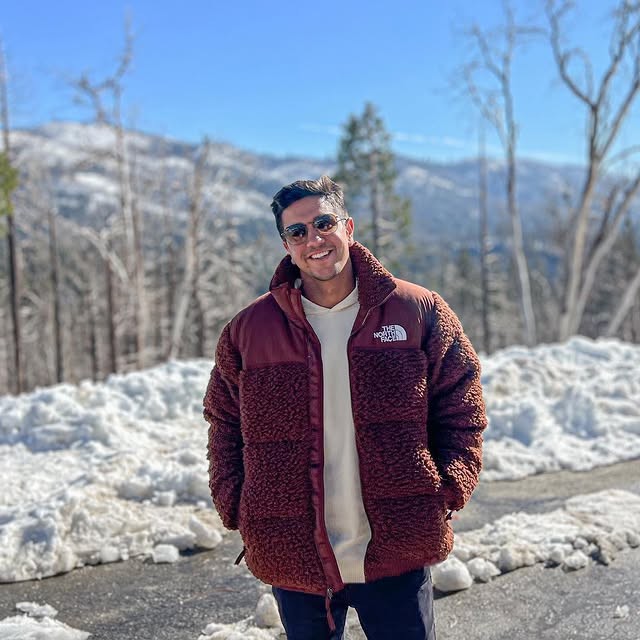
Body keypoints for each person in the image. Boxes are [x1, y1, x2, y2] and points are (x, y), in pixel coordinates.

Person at [203, 176, 487, 640]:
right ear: (286, 245)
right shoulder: (249, 331)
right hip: (295, 554)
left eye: (323, 223)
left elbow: (462, 404)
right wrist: (238, 503)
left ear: (348, 228)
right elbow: (223, 425)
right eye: (298, 232)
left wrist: (448, 486)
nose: (314, 240)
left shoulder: (416, 311)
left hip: (398, 545)